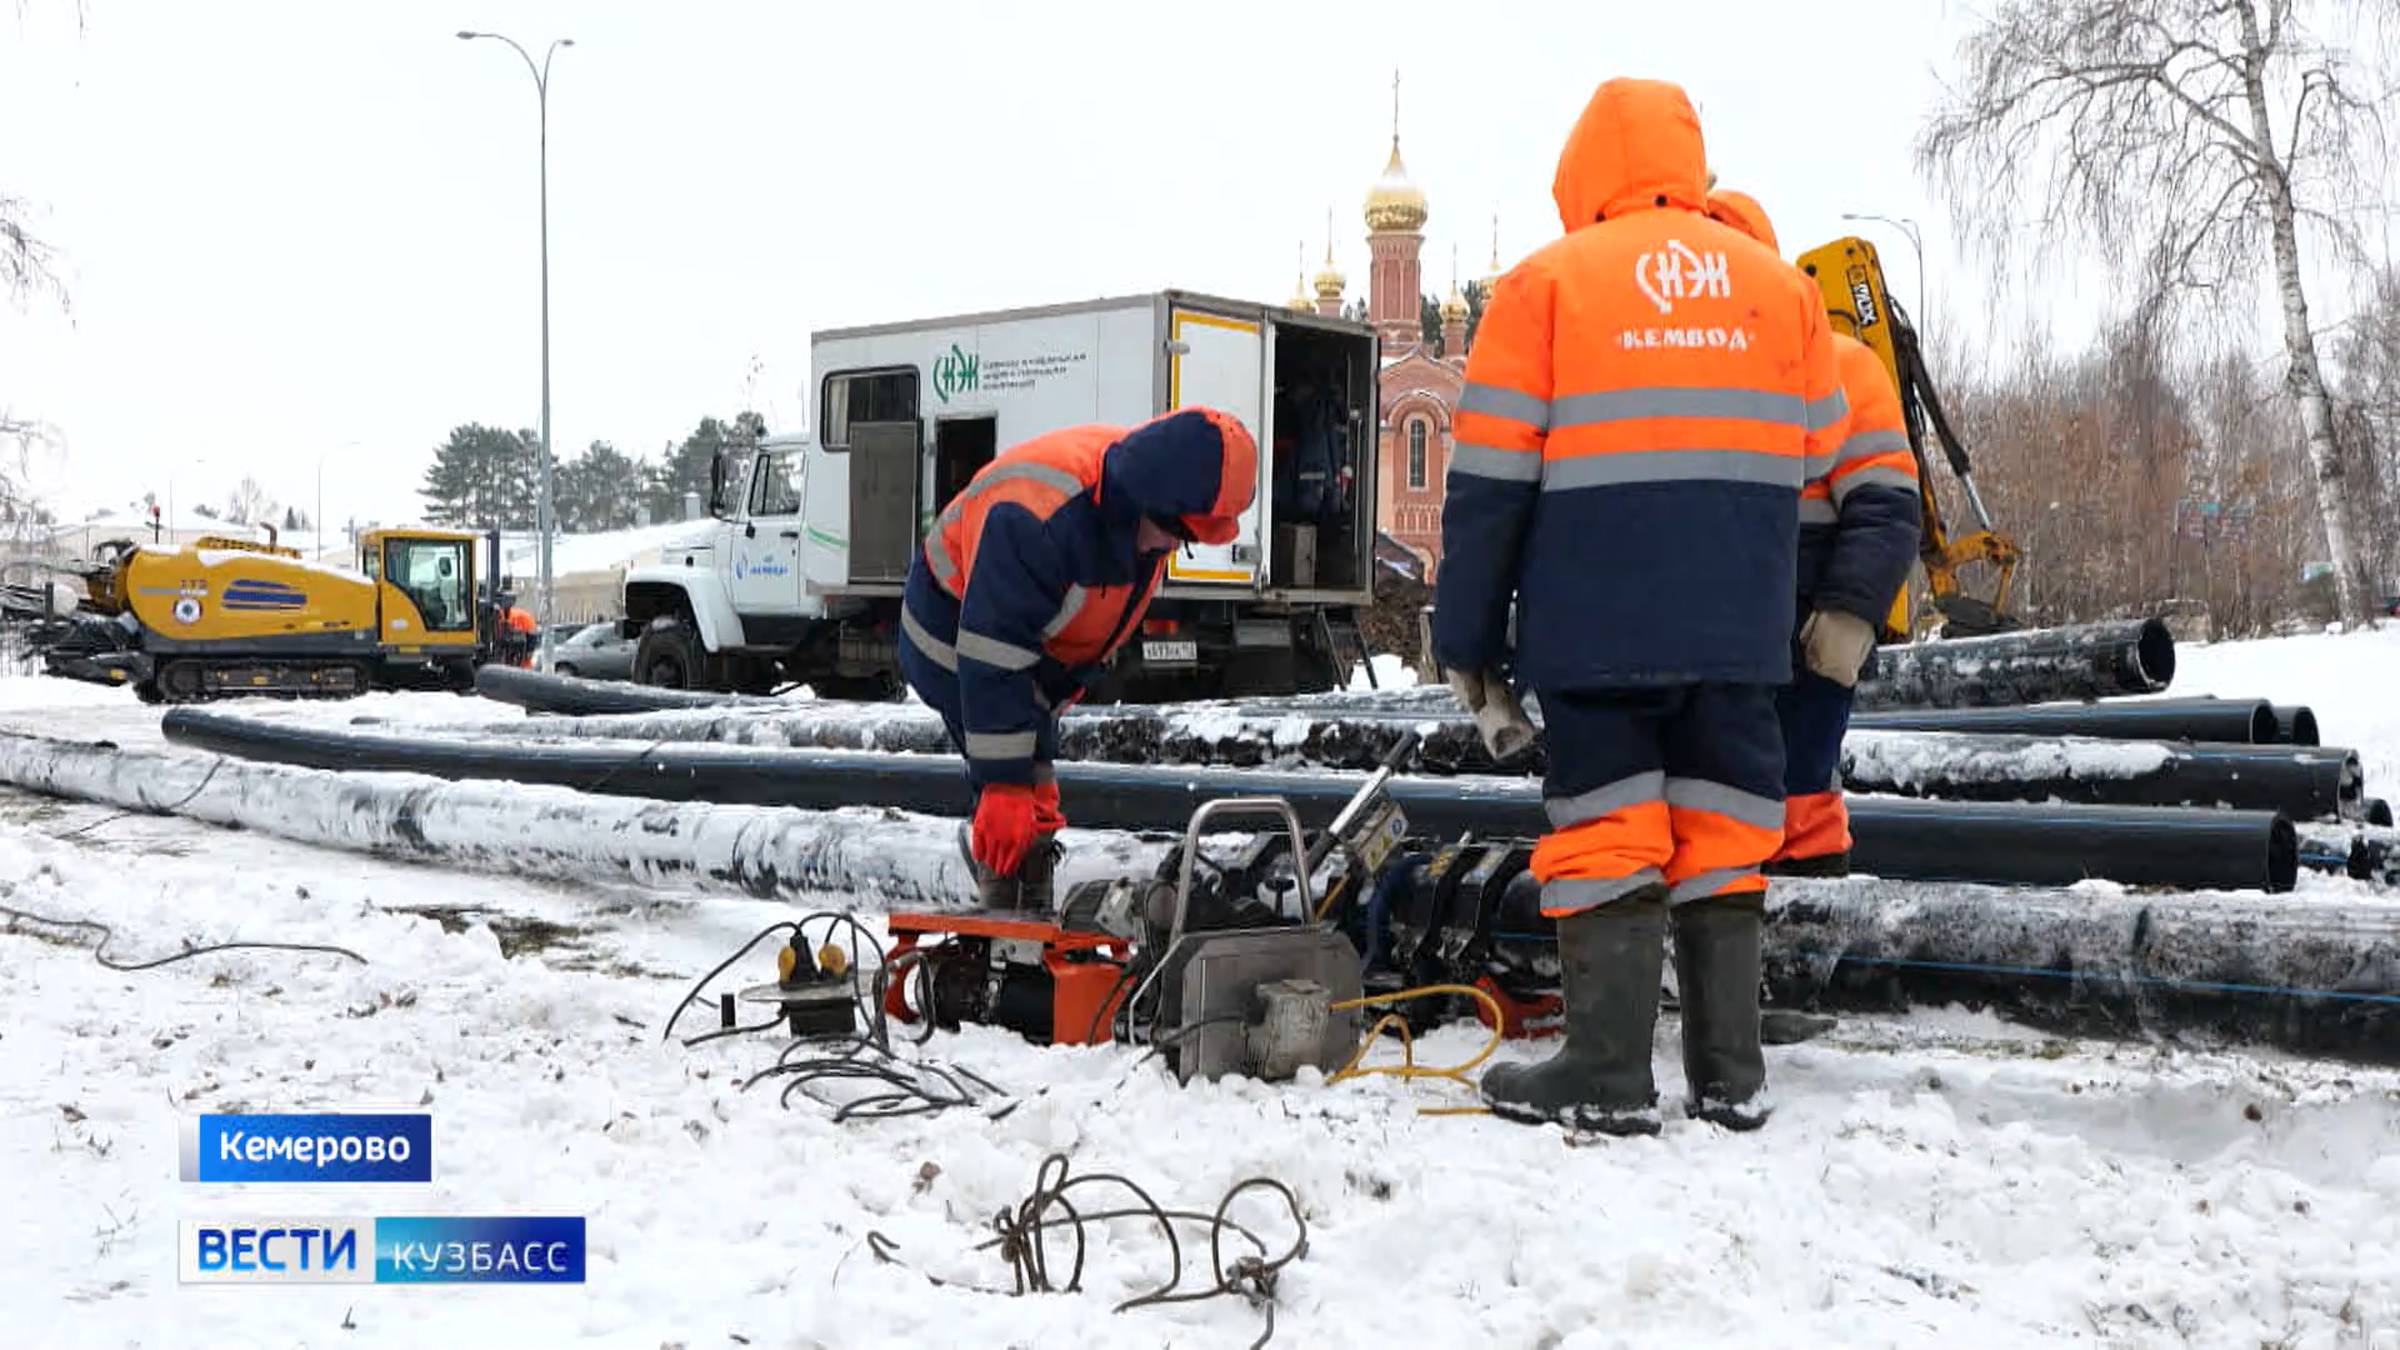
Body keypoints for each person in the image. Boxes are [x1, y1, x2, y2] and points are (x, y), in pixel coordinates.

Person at [1432, 78, 1848, 1135]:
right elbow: (1822, 471)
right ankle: (1731, 1076)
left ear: (1582, 172)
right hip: (1740, 636)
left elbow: (1486, 489)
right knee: (1723, 834)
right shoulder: (1784, 292)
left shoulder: (1545, 286)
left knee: (1610, 831)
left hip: (1597, 628)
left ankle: (1610, 1073)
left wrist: (1469, 640)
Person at [899, 408, 1257, 910]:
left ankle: (1024, 898)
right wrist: (1002, 786)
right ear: (1146, 500)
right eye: (1177, 531)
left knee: (1034, 787)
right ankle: (1002, 908)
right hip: (949, 632)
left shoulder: (1135, 516)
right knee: (1010, 781)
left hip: (1025, 654)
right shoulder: (1036, 518)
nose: (1176, 545)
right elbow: (993, 655)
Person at [1706, 189, 1924, 876]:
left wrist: (1848, 617)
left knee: (1797, 811)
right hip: (1711, 653)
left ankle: (1804, 948)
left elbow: (1887, 504)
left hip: (1801, 649)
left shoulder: (1841, 365)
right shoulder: (1680, 374)